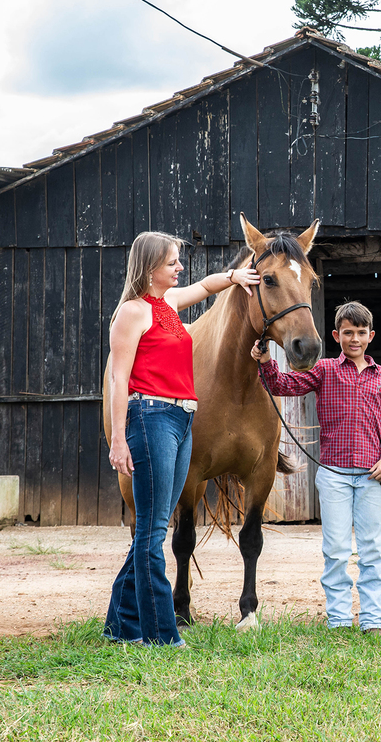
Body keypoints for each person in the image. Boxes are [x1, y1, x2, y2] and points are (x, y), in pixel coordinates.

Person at [104, 230, 260, 647]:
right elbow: (119, 379)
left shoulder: (168, 304)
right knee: (154, 532)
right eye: (172, 262)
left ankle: (119, 624)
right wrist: (118, 438)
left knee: (149, 533)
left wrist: (238, 277)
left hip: (181, 419)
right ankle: (161, 633)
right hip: (150, 416)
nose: (179, 268)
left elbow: (207, 286)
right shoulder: (132, 313)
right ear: (151, 268)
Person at [251, 301, 381, 634]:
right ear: (336, 335)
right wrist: (266, 363)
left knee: (372, 550)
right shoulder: (325, 370)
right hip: (333, 474)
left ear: (371, 336)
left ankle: (374, 620)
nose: (355, 339)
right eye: (348, 333)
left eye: (361, 333)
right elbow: (284, 386)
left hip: (372, 476)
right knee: (335, 550)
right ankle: (339, 619)